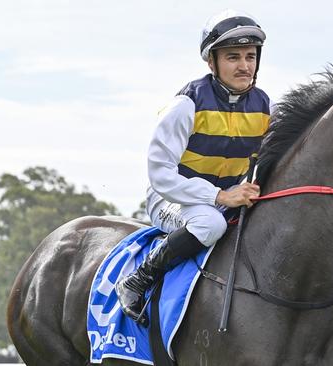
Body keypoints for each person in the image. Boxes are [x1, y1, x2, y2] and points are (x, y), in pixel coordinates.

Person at [115, 9, 271, 325]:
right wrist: (219, 197)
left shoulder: (267, 107)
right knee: (210, 225)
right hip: (173, 199)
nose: (244, 66)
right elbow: (160, 175)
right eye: (233, 57)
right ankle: (139, 278)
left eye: (250, 57)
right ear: (211, 62)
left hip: (225, 198)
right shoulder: (186, 105)